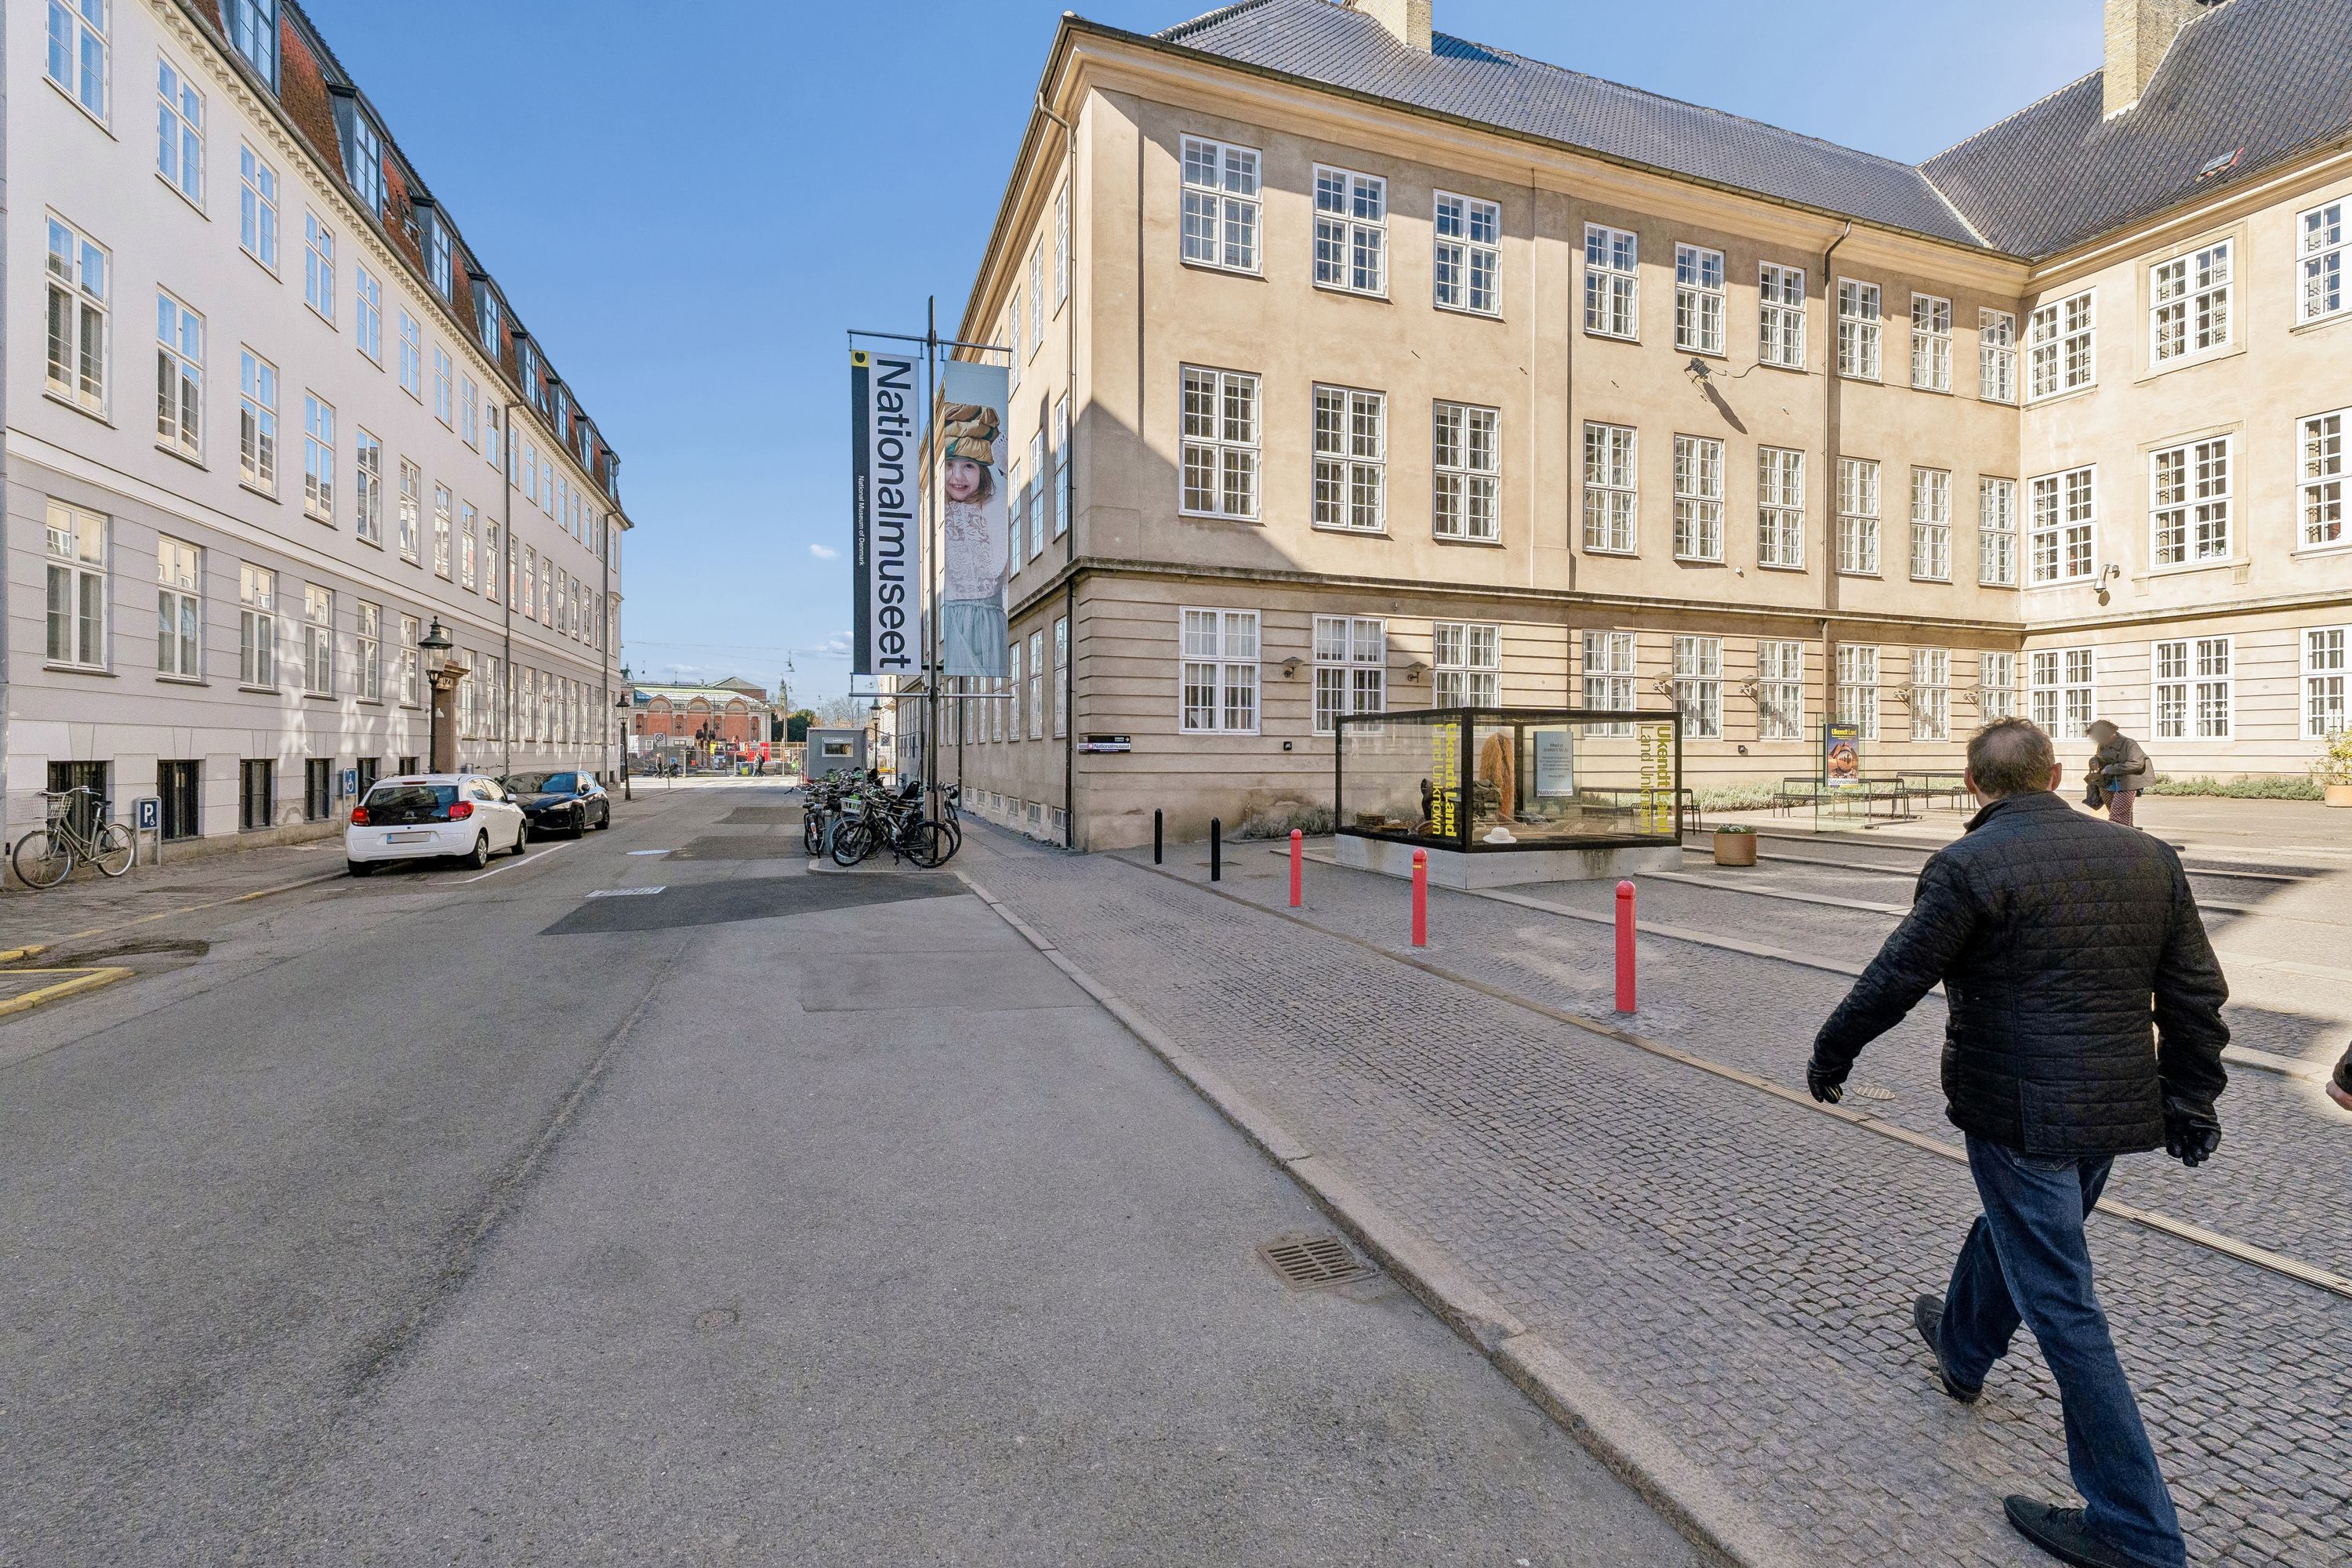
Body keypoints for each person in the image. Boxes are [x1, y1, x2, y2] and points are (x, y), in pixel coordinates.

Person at [1805, 717, 2228, 1568]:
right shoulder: (2148, 857)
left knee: (2064, 1302)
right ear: (2059, 772)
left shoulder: (1969, 864)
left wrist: (1832, 1047)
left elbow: (1896, 975)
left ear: (1974, 786)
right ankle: (1962, 1347)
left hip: (2018, 1109)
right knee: (2023, 1229)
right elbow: (2194, 993)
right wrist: (2191, 1094)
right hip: (2111, 1104)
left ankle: (2135, 1527)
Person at [2084, 720, 2149, 827]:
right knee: (2120, 815)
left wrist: (2110, 769)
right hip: (2106, 783)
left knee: (2117, 817)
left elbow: (2137, 764)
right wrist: (2094, 762)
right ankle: (2130, 837)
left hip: (2127, 784)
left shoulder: (2129, 743)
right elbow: (2098, 757)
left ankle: (2120, 839)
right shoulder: (2103, 744)